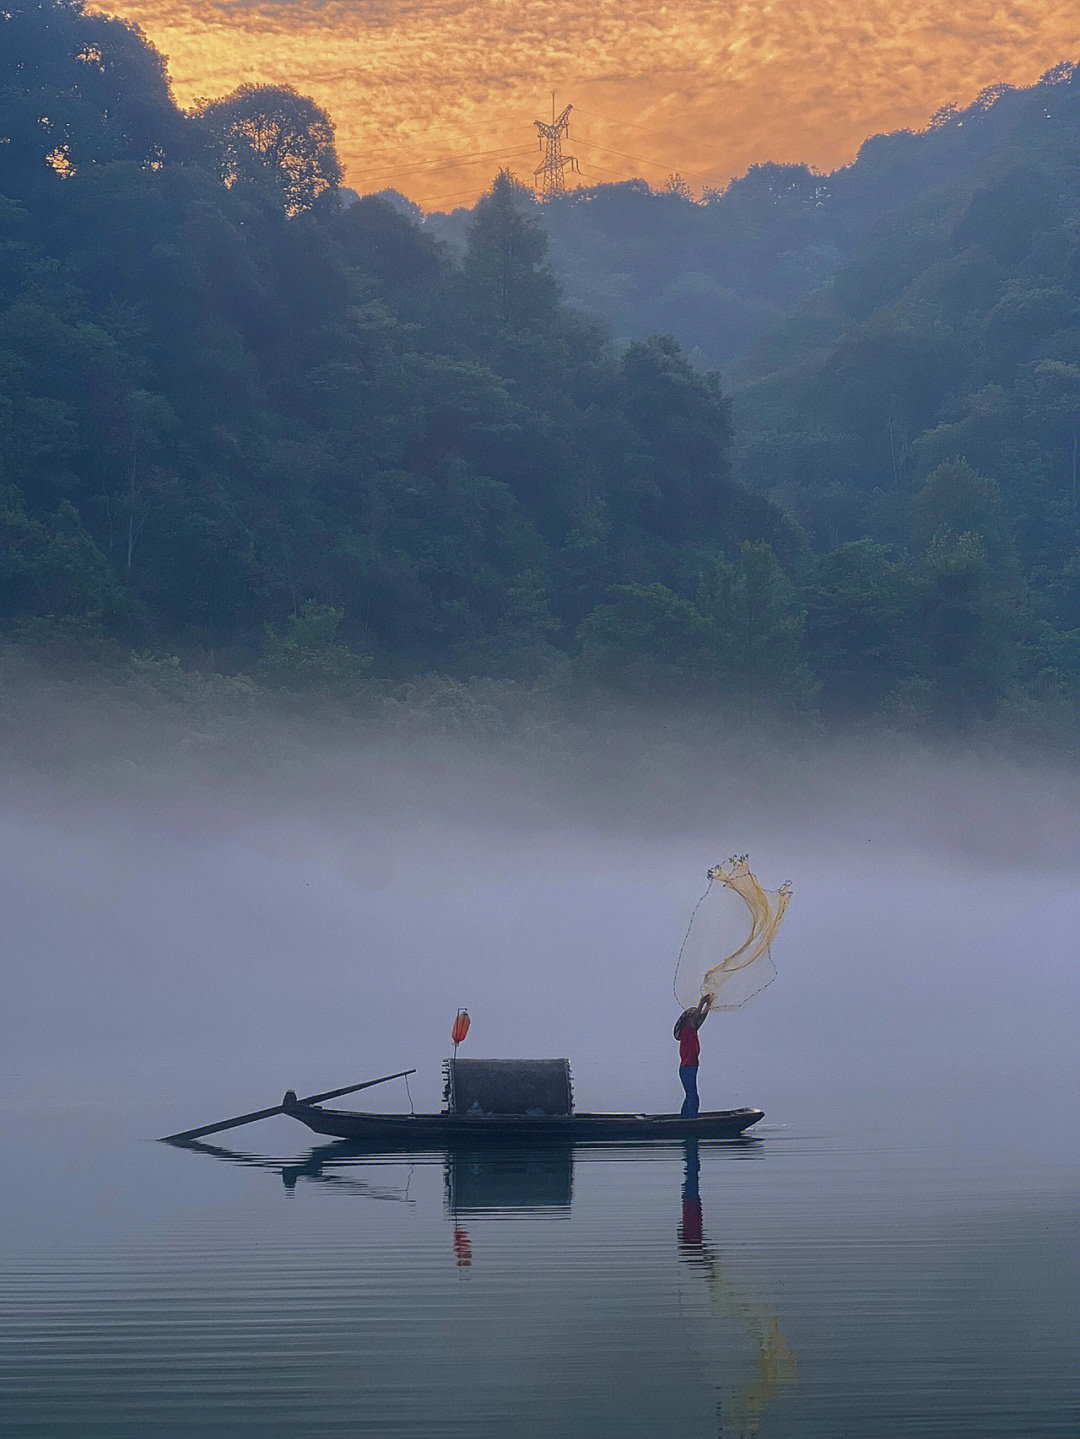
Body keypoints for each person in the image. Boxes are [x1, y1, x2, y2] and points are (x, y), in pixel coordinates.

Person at [673, 995, 711, 1117]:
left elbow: (701, 1018)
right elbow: (696, 1018)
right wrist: (701, 1003)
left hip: (689, 1067)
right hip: (688, 1067)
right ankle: (690, 1120)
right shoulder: (688, 1030)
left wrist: (708, 1006)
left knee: (690, 1095)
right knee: (693, 1096)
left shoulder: (692, 1030)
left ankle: (684, 1118)